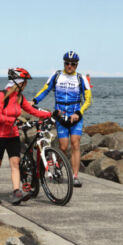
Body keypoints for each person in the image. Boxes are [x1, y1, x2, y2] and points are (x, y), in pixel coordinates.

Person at [0, 68, 52, 205]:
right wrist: (10, 120)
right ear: (18, 83)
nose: (26, 85)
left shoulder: (20, 98)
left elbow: (32, 111)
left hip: (13, 135)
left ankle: (16, 191)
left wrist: (50, 115)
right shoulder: (2, 95)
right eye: (24, 82)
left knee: (15, 164)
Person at [33, 51, 92, 188]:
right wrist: (34, 100)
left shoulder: (80, 78)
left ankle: (75, 176)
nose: (69, 66)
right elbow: (45, 90)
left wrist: (79, 112)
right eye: (67, 63)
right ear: (63, 63)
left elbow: (88, 100)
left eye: (72, 64)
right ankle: (59, 166)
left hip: (76, 116)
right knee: (63, 147)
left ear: (76, 65)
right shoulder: (57, 75)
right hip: (61, 116)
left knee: (75, 143)